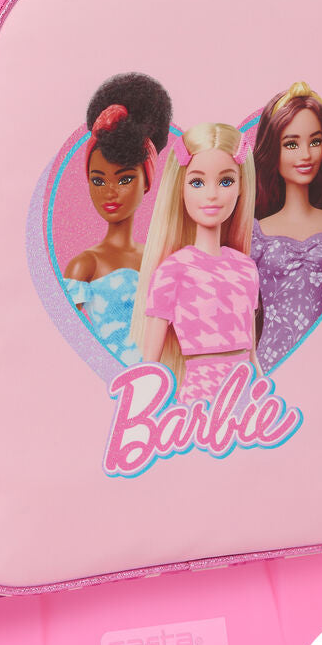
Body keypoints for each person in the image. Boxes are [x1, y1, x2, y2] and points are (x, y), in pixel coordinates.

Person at [131, 122, 259, 405]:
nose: (211, 195)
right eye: (197, 183)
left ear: (241, 186)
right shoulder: (173, 271)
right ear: (180, 188)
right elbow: (150, 363)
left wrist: (265, 395)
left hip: (246, 398)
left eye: (226, 181)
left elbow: (251, 354)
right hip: (199, 402)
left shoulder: (245, 268)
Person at [63, 73, 171, 367]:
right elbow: (62, 343)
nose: (110, 192)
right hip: (105, 380)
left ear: (146, 182)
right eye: (98, 181)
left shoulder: (160, 258)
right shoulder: (86, 265)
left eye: (124, 179)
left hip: (163, 380)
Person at [251, 81, 322, 371]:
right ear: (272, 150)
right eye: (291, 144)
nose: (306, 155)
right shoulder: (255, 234)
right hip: (271, 367)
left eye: (315, 142)